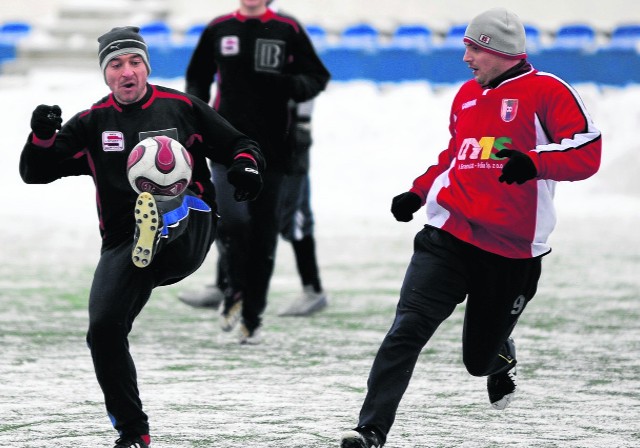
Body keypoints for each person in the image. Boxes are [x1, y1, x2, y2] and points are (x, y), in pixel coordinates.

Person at [340, 8, 602, 448]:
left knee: (479, 360)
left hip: (511, 252)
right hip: (448, 237)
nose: (466, 58)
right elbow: (454, 157)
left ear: (499, 50)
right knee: (406, 329)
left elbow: (588, 152)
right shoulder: (465, 95)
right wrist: (418, 192)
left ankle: (500, 357)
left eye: (473, 48)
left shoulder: (546, 91)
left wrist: (534, 164)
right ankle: (370, 430)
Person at [19, 26, 264, 448]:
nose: (126, 70)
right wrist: (42, 135)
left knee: (176, 206)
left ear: (146, 67)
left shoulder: (180, 107)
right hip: (125, 243)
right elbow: (35, 172)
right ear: (106, 74)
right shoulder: (94, 123)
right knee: (103, 331)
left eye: (134, 62)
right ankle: (134, 433)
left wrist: (246, 167)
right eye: (116, 64)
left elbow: (240, 143)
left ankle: (165, 216)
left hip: (192, 224)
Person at [180, 0, 331, 343]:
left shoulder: (286, 28)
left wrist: (293, 86)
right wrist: (197, 120)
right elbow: (197, 78)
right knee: (231, 220)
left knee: (264, 234)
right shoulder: (219, 28)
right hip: (225, 143)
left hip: (274, 149)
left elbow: (317, 76)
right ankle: (233, 289)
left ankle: (252, 317)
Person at [178, 97, 329, 317]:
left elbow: (303, 76)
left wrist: (302, 123)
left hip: (281, 144)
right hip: (243, 140)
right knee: (231, 216)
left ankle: (312, 288)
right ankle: (225, 285)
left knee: (292, 218)